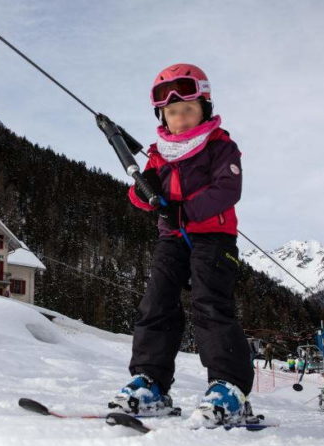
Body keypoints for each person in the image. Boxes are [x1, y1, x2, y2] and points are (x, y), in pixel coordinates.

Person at [109, 63, 254, 426]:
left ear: (204, 108)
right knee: (156, 302)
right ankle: (150, 384)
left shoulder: (220, 146)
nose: (181, 118)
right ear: (163, 116)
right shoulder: (161, 154)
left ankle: (229, 388)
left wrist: (184, 212)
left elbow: (227, 190)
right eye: (172, 112)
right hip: (171, 238)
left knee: (210, 303)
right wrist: (144, 193)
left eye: (188, 109)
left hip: (213, 238)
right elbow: (141, 197)